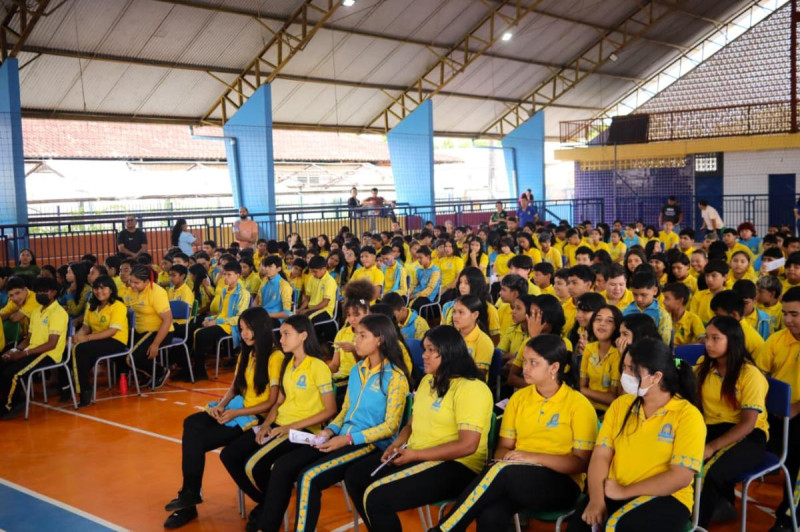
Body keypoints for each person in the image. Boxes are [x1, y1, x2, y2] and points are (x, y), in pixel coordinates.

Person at [252, 314, 410, 532]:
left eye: (363, 336)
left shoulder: (395, 377)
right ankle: (266, 526)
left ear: (380, 339)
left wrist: (346, 439)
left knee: (309, 478)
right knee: (284, 466)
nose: (356, 340)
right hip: (341, 436)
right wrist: (328, 431)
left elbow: (390, 426)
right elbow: (345, 410)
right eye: (356, 335)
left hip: (369, 444)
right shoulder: (357, 371)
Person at [433, 335, 597, 532]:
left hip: (561, 484)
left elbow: (580, 463)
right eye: (525, 361)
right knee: (491, 514)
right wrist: (508, 459)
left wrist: (530, 457)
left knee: (502, 471)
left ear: (554, 368)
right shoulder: (519, 398)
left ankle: (445, 528)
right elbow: (504, 448)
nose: (525, 368)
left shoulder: (578, 405)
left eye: (533, 363)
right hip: (517, 477)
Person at [344, 325, 493, 532]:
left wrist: (416, 455)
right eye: (424, 349)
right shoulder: (427, 381)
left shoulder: (472, 388)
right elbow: (411, 425)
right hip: (418, 453)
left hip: (457, 465)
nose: (424, 355)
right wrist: (396, 445)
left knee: (377, 496)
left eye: (431, 350)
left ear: (449, 351)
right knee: (356, 477)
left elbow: (468, 445)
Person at [163, 308, 284, 529]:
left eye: (249, 329)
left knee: (199, 443)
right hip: (237, 411)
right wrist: (220, 406)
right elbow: (235, 386)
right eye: (242, 329)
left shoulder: (275, 357)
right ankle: (189, 496)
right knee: (192, 423)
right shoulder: (247, 353)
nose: (245, 334)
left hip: (254, 418)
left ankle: (190, 500)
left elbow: (271, 402)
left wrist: (235, 413)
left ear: (262, 329)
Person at [568, 338, 705, 532]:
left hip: (666, 497)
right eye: (624, 367)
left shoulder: (687, 415)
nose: (625, 375)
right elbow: (600, 456)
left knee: (617, 527)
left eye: (632, 369)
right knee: (580, 525)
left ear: (656, 377)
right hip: (612, 489)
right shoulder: (621, 405)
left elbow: (680, 477)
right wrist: (596, 499)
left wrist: (624, 492)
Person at [219, 315, 336, 516]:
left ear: (303, 336)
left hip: (302, 430)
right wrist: (267, 424)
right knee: (229, 455)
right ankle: (267, 502)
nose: (280, 339)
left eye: (286, 334)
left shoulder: (318, 367)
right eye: (280, 334)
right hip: (279, 425)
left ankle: (270, 509)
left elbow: (330, 410)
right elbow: (279, 402)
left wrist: (289, 428)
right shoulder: (288, 364)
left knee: (255, 465)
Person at [696, 316, 768, 527]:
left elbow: (747, 424)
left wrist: (711, 447)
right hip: (713, 429)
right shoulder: (704, 365)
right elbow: (679, 365)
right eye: (706, 337)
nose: (708, 343)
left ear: (733, 341)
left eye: (715, 338)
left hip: (748, 436)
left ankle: (696, 524)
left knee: (707, 472)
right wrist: (671, 360)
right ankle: (720, 505)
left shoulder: (749, 375)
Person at [754, 287, 800, 531]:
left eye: (795, 314)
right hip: (778, 415)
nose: (789, 320)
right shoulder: (777, 339)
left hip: (795, 413)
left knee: (794, 458)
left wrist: (795, 407)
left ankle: (789, 517)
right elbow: (761, 374)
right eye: (785, 314)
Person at [0, 276, 68, 419]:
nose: (40, 295)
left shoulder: (58, 313)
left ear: (54, 292)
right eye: (37, 292)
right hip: (33, 349)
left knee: (14, 374)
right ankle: (15, 400)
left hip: (49, 353)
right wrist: (15, 350)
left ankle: (8, 407)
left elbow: (52, 344)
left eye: (44, 291)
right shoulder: (37, 311)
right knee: (3, 363)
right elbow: (29, 338)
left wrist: (23, 354)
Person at [70, 276, 128, 407]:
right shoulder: (91, 305)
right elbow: (85, 328)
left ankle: (85, 391)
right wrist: (77, 338)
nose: (99, 291)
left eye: (103, 288)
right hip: (97, 340)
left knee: (81, 349)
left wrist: (86, 338)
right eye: (96, 288)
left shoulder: (118, 306)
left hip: (115, 341)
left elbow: (112, 331)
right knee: (71, 348)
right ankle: (70, 386)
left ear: (111, 289)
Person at [190, 261, 250, 381]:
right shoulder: (224, 291)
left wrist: (216, 322)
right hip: (221, 321)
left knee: (202, 334)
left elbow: (239, 317)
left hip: (231, 326)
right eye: (224, 274)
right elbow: (221, 312)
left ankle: (200, 371)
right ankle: (191, 365)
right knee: (194, 325)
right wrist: (210, 319)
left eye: (229, 275)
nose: (225, 278)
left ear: (238, 275)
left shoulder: (243, 294)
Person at [127, 264, 174, 388]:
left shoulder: (157, 293)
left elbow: (168, 319)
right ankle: (148, 374)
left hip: (158, 332)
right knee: (120, 350)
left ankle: (160, 372)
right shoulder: (131, 290)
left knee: (132, 357)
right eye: (130, 281)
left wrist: (155, 344)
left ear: (147, 281)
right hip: (138, 330)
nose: (132, 285)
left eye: (136, 283)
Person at [580, 305, 623, 413]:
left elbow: (613, 398)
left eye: (609, 321)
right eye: (598, 319)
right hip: (586, 406)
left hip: (609, 412)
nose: (602, 324)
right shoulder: (589, 349)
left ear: (616, 327)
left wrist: (582, 390)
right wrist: (582, 390)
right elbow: (582, 384)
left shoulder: (618, 354)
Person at [257, 256, 293, 322]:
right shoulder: (264, 281)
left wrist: (267, 315)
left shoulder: (284, 285)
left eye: (270, 266)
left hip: (276, 319)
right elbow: (257, 301)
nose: (266, 269)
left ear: (278, 269)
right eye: (266, 266)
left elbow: (287, 313)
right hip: (263, 315)